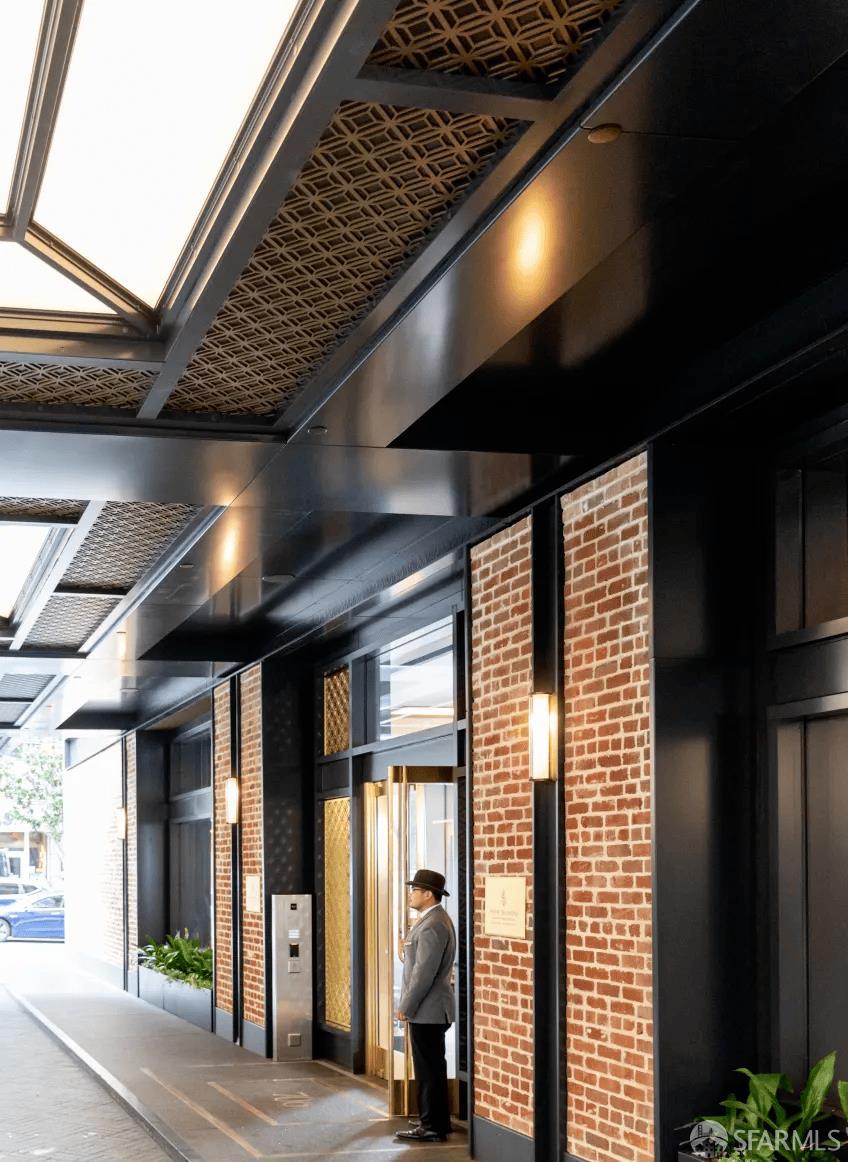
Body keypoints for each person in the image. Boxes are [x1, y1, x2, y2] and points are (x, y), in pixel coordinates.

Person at [394, 869, 456, 1144]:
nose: (411, 894)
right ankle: (434, 1119)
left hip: (427, 1011)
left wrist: (405, 1005)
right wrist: (404, 949)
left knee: (428, 1069)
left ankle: (431, 1126)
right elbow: (418, 963)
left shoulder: (433, 924)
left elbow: (424, 973)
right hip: (429, 1009)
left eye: (414, 890)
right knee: (431, 1067)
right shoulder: (431, 921)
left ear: (427, 894)